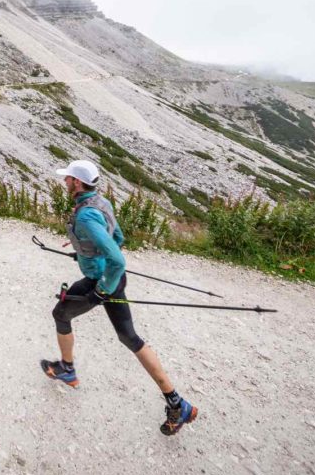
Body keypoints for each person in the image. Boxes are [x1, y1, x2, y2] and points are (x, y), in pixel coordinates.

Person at [41, 159, 198, 436]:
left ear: (78, 182)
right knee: (129, 337)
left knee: (60, 314)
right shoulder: (101, 203)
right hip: (110, 280)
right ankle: (177, 402)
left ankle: (67, 369)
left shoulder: (87, 215)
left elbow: (117, 257)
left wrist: (101, 289)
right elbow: (119, 237)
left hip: (100, 283)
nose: (65, 181)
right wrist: (85, 248)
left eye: (68, 178)